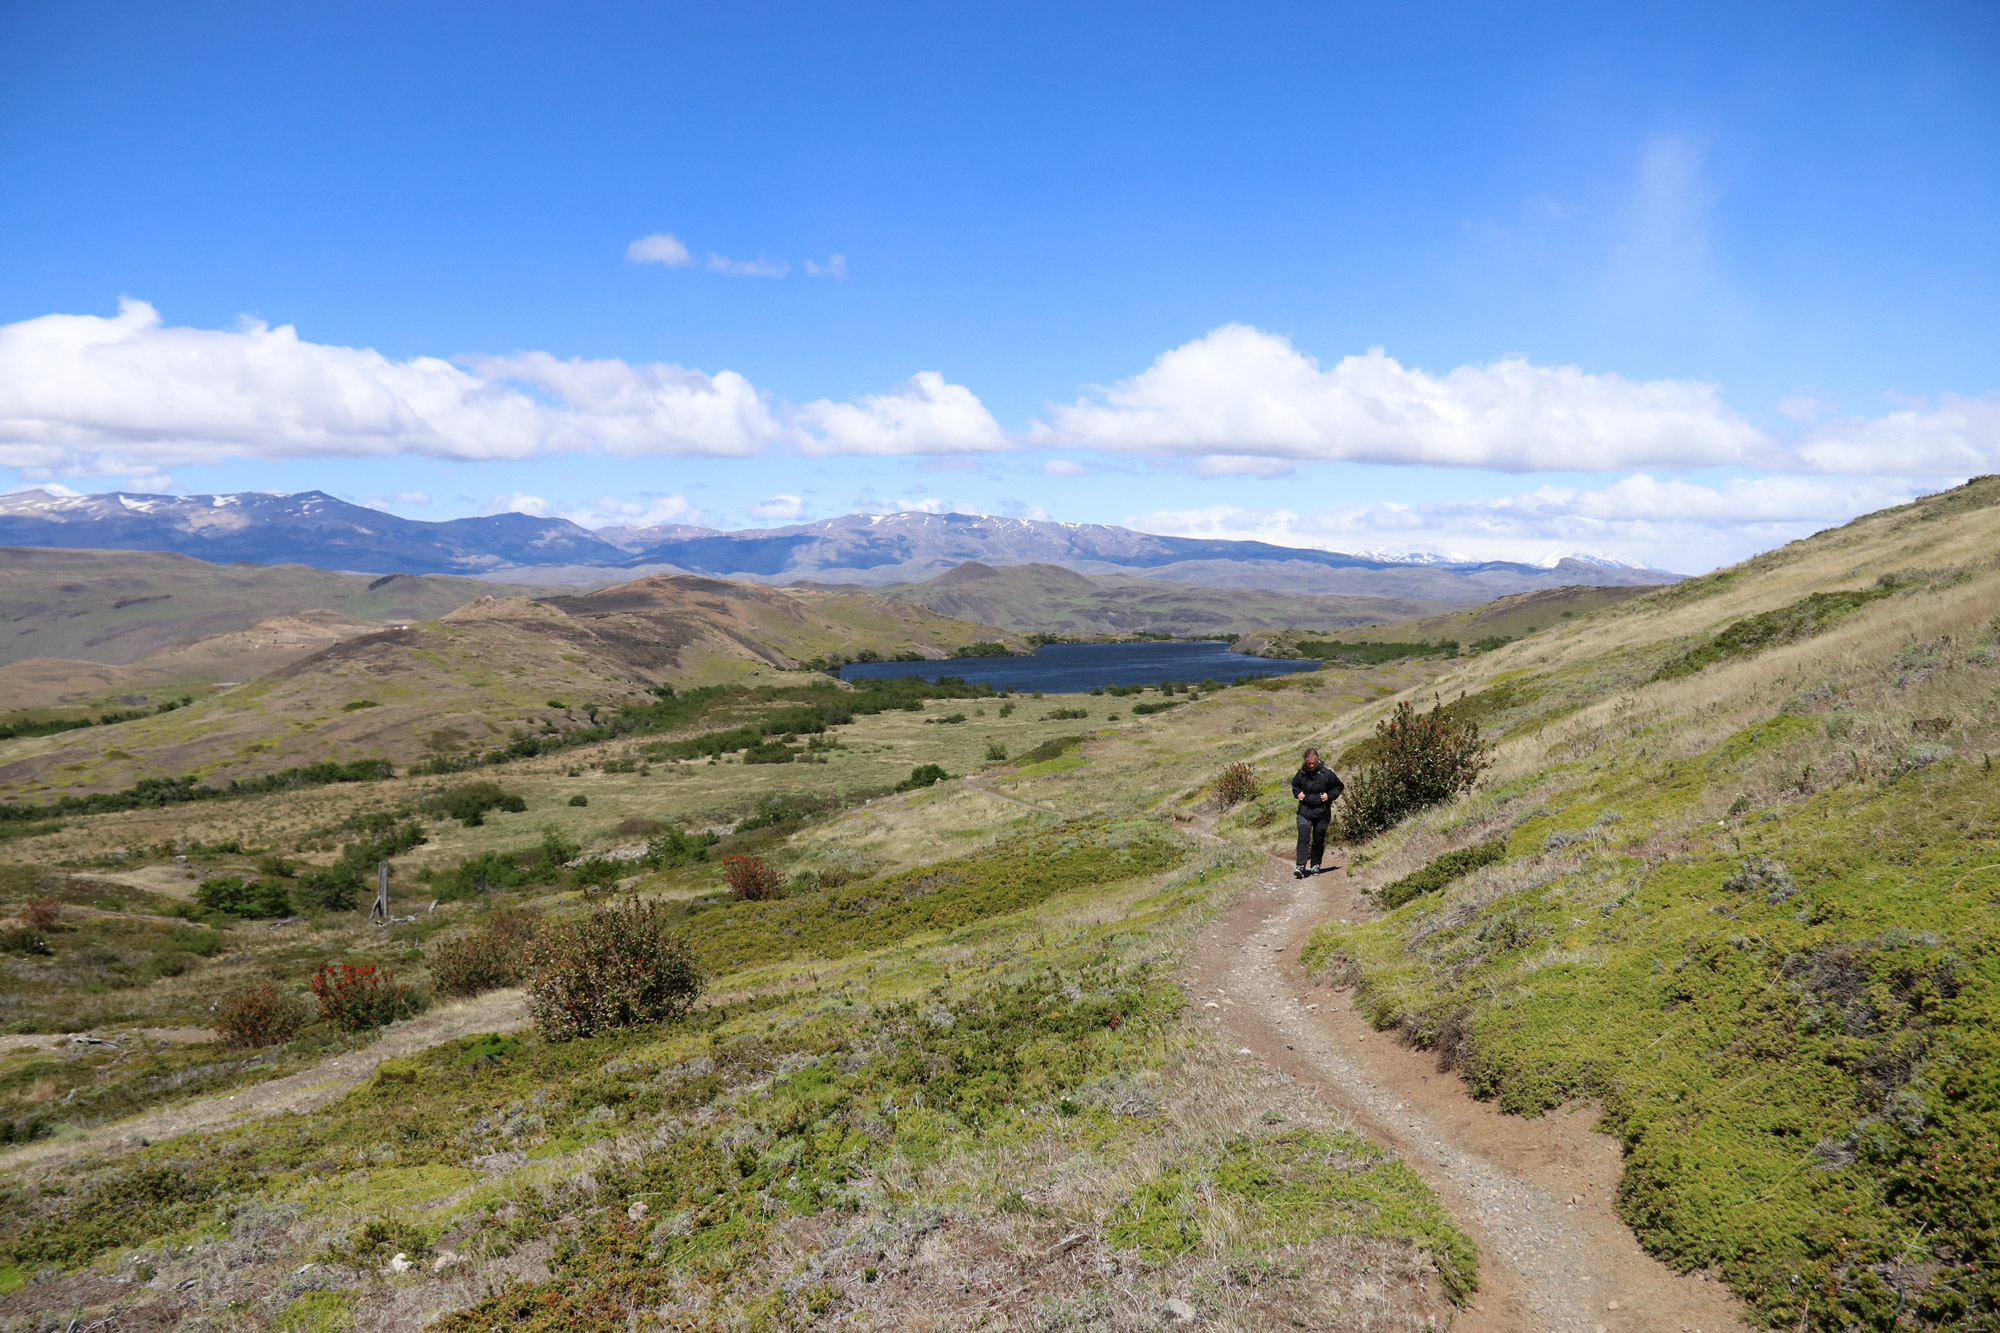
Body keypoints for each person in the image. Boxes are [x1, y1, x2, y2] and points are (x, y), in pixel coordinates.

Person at [1290, 747, 1343, 878]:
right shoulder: (1301, 773)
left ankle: (1315, 865)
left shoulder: (1327, 773)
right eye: (1309, 763)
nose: (1311, 765)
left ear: (1318, 759)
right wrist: (1298, 793)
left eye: (1313, 763)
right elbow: (1295, 785)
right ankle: (1300, 866)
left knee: (1318, 838)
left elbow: (1338, 786)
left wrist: (1329, 796)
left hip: (1322, 812)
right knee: (1303, 836)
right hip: (1305, 811)